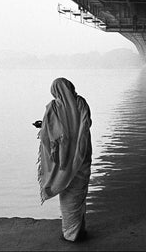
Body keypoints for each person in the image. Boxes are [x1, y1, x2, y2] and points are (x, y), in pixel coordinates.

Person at [35, 77, 92, 242]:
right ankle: (79, 231)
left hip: (64, 162)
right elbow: (87, 124)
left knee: (68, 196)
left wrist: (42, 125)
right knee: (79, 195)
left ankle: (70, 233)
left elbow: (52, 132)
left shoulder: (53, 107)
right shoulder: (81, 102)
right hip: (81, 157)